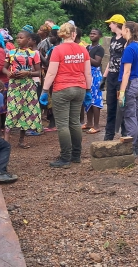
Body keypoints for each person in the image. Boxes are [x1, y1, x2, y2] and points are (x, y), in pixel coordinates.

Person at [41, 22, 91, 168]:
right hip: (79, 88)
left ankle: (65, 158)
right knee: (75, 122)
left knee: (62, 124)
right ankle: (76, 155)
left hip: (62, 89)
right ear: (74, 34)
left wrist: (44, 91)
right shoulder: (83, 50)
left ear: (61, 34)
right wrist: (88, 91)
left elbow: (51, 72)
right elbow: (87, 73)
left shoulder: (57, 50)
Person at [3, 26, 43, 147]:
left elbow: (39, 72)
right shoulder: (10, 52)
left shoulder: (34, 54)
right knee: (11, 110)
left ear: (28, 39)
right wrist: (8, 73)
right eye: (17, 38)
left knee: (25, 111)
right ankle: (5, 142)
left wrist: (28, 73)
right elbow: (3, 68)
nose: (18, 40)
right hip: (14, 85)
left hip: (28, 86)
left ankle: (21, 140)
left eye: (21, 38)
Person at [119, 21, 138, 156]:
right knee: (137, 115)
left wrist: (122, 91)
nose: (121, 31)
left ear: (128, 31)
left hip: (130, 83)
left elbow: (126, 72)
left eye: (123, 29)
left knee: (130, 116)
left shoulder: (129, 49)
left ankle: (131, 147)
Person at [103, 16, 127, 140]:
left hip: (121, 76)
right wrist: (104, 76)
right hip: (111, 75)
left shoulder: (125, 40)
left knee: (122, 107)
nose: (109, 26)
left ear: (116, 24)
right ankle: (109, 134)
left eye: (110, 23)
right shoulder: (113, 39)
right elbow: (111, 58)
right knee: (111, 106)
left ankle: (125, 133)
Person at [84, 29, 105, 134]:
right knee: (88, 98)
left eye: (94, 34)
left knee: (95, 100)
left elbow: (97, 63)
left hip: (95, 76)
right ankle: (89, 123)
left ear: (99, 36)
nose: (92, 35)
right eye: (91, 33)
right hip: (87, 74)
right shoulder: (88, 47)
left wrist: (85, 55)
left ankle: (96, 126)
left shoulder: (99, 49)